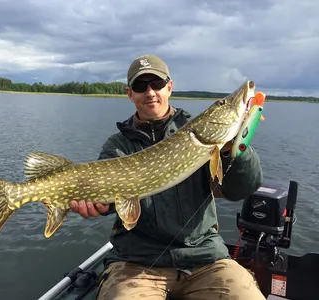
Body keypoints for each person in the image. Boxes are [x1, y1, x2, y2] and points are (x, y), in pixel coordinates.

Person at [70, 54, 265, 300]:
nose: (150, 92)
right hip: (136, 263)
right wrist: (98, 204)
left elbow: (242, 189)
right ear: (130, 94)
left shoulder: (196, 131)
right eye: (141, 86)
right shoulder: (117, 145)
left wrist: (231, 150)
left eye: (157, 84)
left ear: (169, 88)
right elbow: (111, 201)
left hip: (204, 257)